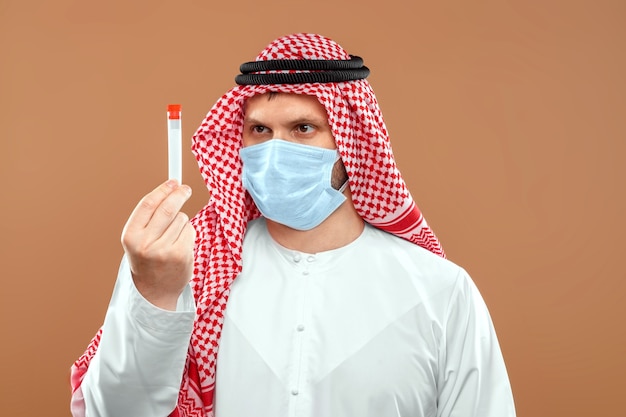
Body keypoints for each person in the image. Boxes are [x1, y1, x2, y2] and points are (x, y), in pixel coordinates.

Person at [70, 33, 516, 417]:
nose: (274, 150)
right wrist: (154, 295)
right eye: (260, 131)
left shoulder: (440, 291)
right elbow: (116, 409)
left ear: (351, 143)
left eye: (303, 128)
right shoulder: (185, 262)